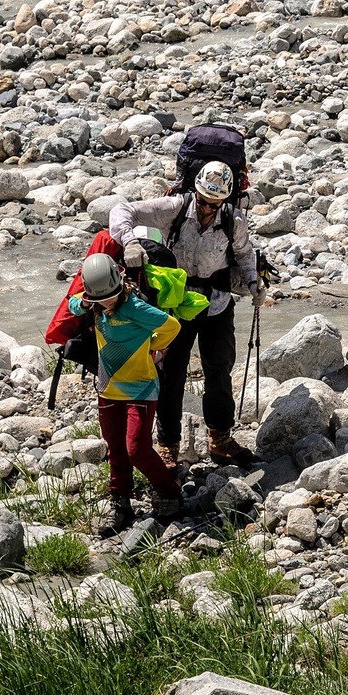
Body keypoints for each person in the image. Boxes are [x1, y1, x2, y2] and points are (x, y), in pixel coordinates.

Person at [107, 159, 256, 467]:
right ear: (195, 192)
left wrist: (255, 285)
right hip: (176, 306)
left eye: (214, 204)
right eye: (202, 201)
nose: (206, 209)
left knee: (219, 370)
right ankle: (168, 444)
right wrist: (130, 241)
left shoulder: (233, 219)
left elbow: (243, 253)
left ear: (224, 200)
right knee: (171, 373)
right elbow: (122, 210)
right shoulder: (175, 207)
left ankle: (221, 439)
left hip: (217, 304)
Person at [62, 251, 181, 532]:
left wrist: (153, 346)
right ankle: (120, 501)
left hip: (141, 387)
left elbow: (172, 326)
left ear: (120, 283)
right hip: (108, 388)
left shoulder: (136, 308)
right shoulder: (92, 304)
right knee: (115, 448)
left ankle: (169, 492)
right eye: (99, 299)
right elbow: (73, 305)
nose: (107, 302)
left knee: (137, 449)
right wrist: (79, 304)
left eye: (111, 296)